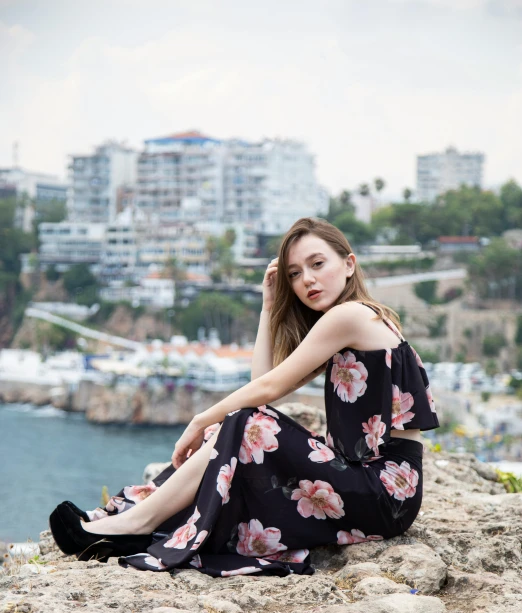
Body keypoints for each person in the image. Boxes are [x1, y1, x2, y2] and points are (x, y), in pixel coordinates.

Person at [49, 217, 439, 577]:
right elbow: (262, 389)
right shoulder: (353, 319)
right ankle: (131, 521)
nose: (307, 280)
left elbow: (263, 393)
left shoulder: (350, 316)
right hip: (374, 489)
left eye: (317, 264)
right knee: (239, 427)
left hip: (382, 492)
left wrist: (201, 419)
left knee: (238, 424)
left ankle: (133, 524)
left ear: (349, 264)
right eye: (295, 273)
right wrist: (268, 308)